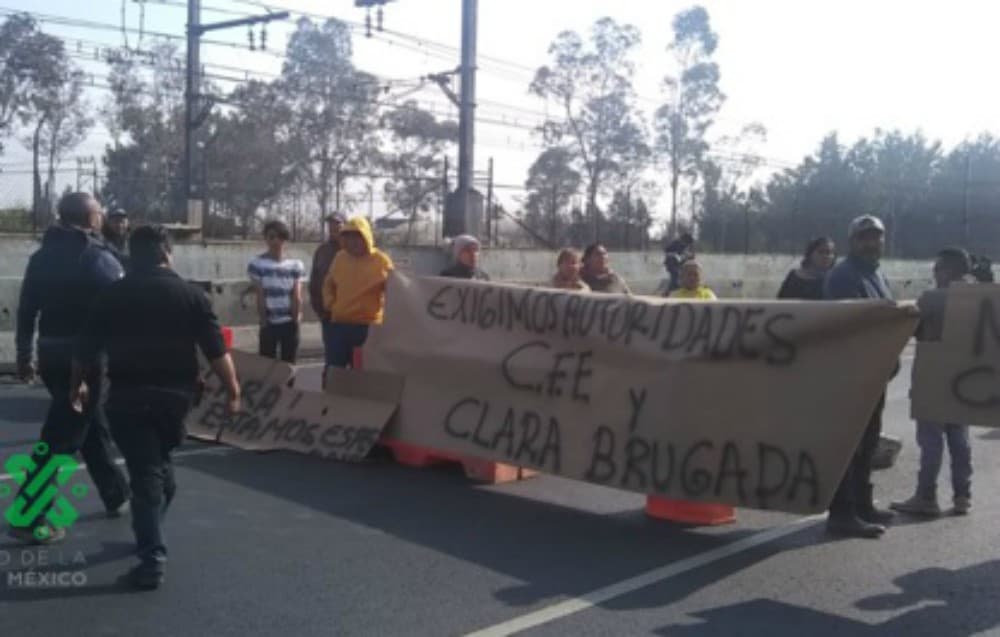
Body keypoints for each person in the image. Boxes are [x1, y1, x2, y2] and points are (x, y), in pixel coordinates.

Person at [71, 225, 240, 590]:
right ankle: (152, 551)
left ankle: (150, 549)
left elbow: (84, 351)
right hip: (174, 401)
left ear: (132, 255)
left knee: (153, 473)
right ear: (166, 253)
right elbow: (216, 351)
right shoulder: (191, 296)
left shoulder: (112, 295)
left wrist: (77, 386)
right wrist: (233, 390)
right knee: (153, 473)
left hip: (127, 399)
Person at [12, 192, 130, 544]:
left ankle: (116, 493)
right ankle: (28, 516)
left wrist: (23, 355)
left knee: (88, 424)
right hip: (87, 361)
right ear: (90, 218)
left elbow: (26, 311)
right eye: (99, 211)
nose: (103, 215)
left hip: (50, 357)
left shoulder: (41, 257)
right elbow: (123, 306)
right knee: (62, 436)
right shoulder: (99, 258)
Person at [823, 214, 896, 539]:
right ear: (853, 241)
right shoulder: (843, 276)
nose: (872, 242)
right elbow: (848, 323)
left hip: (875, 371)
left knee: (868, 443)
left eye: (876, 237)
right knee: (849, 444)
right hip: (850, 373)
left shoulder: (877, 274)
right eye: (865, 237)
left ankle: (863, 504)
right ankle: (842, 512)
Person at [891, 247, 974, 517]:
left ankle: (926, 496)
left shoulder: (932, 298)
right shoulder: (979, 298)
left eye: (936, 269)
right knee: (960, 438)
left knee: (931, 440)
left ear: (946, 270)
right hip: (965, 376)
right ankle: (963, 495)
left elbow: (910, 328)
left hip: (933, 375)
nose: (934, 274)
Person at [322, 217, 394, 369]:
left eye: (357, 236)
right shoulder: (340, 258)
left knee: (363, 374)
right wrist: (330, 304)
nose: (352, 241)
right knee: (334, 372)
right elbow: (328, 283)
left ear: (366, 237)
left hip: (367, 328)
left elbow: (394, 290)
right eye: (348, 237)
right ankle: (333, 393)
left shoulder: (381, 261)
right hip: (339, 326)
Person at [248, 220, 305, 363]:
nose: (275, 241)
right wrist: (263, 320)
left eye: (279, 237)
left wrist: (295, 318)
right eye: (271, 237)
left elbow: (296, 295)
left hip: (289, 322)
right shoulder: (257, 264)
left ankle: (288, 387)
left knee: (289, 365)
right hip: (269, 323)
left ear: (284, 239)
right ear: (266, 239)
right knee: (266, 364)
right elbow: (260, 295)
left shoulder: (295, 265)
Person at [311, 213, 345, 373]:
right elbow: (314, 282)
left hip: (351, 316)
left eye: (337, 224)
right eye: (330, 224)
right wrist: (320, 310)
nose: (333, 227)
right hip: (328, 316)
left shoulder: (353, 251)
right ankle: (329, 392)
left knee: (353, 360)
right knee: (332, 359)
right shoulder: (322, 251)